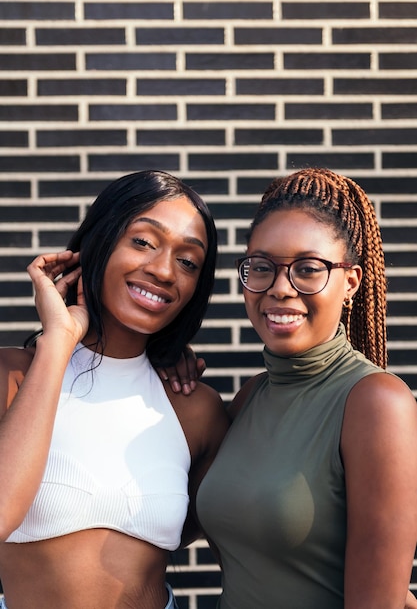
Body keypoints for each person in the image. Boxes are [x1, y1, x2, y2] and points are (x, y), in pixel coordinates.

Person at [167, 168, 417, 608]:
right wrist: (158, 362)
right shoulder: (249, 399)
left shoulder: (376, 402)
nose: (281, 289)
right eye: (262, 267)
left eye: (307, 269)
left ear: (351, 283)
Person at [0, 170, 230, 609]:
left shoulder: (195, 409)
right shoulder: (11, 375)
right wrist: (59, 343)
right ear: (98, 243)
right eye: (143, 241)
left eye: (188, 261)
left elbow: (241, 548)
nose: (164, 270)